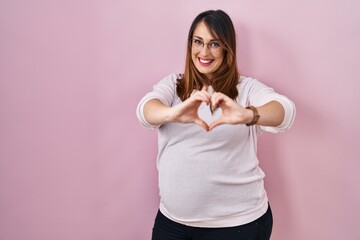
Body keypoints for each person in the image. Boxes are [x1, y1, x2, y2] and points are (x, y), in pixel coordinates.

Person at [136, 9, 295, 240]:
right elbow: (145, 110)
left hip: (238, 225)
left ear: (227, 48)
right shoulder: (173, 86)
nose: (204, 52)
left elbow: (285, 111)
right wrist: (172, 113)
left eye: (214, 44)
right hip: (173, 223)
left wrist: (247, 114)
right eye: (198, 42)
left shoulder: (246, 89)